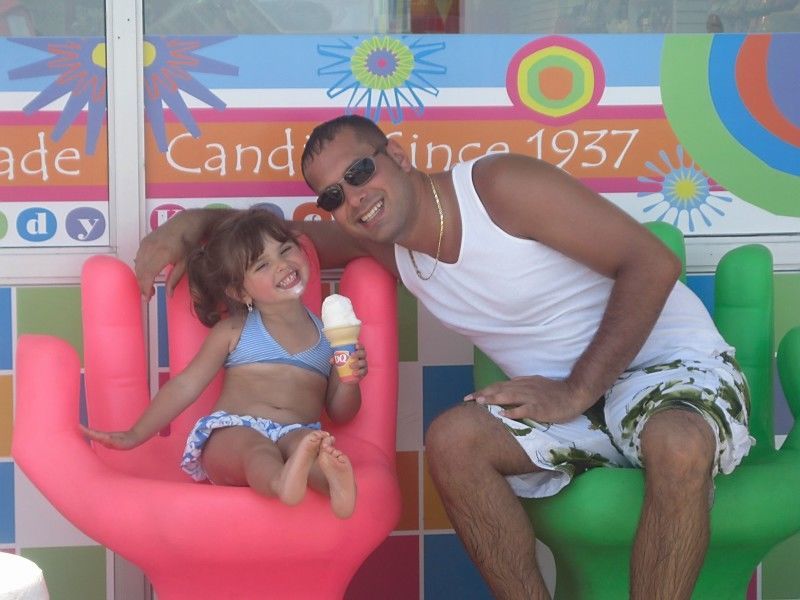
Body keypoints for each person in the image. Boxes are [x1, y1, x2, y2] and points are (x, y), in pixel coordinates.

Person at [134, 115, 753, 599]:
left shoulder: (498, 187)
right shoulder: (387, 248)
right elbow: (275, 241)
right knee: (454, 441)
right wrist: (194, 222)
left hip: (666, 370)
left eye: (360, 172)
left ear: (398, 155)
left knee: (677, 443)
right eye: (333, 196)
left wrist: (575, 389)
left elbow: (652, 262)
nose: (354, 198)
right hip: (575, 404)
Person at [84, 208, 366, 519]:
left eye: (285, 249)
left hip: (296, 432)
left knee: (309, 446)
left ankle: (332, 484)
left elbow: (341, 412)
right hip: (234, 433)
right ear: (240, 292)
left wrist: (349, 379)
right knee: (256, 449)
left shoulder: (329, 338)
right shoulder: (236, 330)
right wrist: (135, 434)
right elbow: (185, 386)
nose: (281, 264)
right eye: (262, 265)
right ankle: (279, 482)